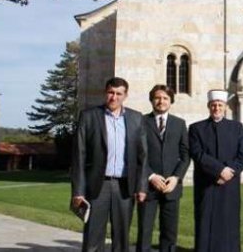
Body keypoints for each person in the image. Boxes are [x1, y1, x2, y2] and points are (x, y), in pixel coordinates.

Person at [71, 77, 148, 251]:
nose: (114, 97)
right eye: (111, 92)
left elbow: (143, 157)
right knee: (92, 237)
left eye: (119, 93)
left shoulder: (136, 118)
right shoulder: (89, 116)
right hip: (98, 185)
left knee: (121, 238)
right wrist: (78, 191)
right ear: (105, 93)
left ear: (125, 95)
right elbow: (79, 156)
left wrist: (142, 186)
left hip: (124, 186)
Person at [189, 90, 243, 252]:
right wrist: (219, 170)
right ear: (209, 107)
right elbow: (197, 154)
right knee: (205, 221)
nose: (216, 108)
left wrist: (230, 172)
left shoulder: (236, 128)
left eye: (220, 105)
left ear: (225, 107)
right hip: (206, 183)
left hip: (229, 184)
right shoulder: (196, 128)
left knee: (229, 223)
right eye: (213, 105)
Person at [136, 85, 190, 252]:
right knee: (144, 230)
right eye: (157, 98)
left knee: (169, 232)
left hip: (171, 186)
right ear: (152, 100)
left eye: (165, 98)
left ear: (171, 101)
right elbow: (136, 154)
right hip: (148, 186)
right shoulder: (141, 122)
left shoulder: (179, 124)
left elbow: (185, 155)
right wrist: (151, 176)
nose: (161, 101)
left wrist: (176, 178)